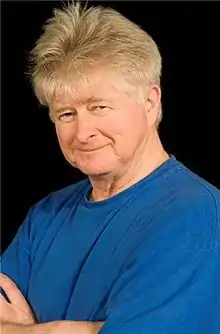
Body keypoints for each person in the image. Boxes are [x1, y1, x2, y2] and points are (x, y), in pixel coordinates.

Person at [1, 1, 220, 333]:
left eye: (98, 106)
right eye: (66, 114)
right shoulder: (45, 217)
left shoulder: (197, 219)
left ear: (150, 102)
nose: (83, 132)